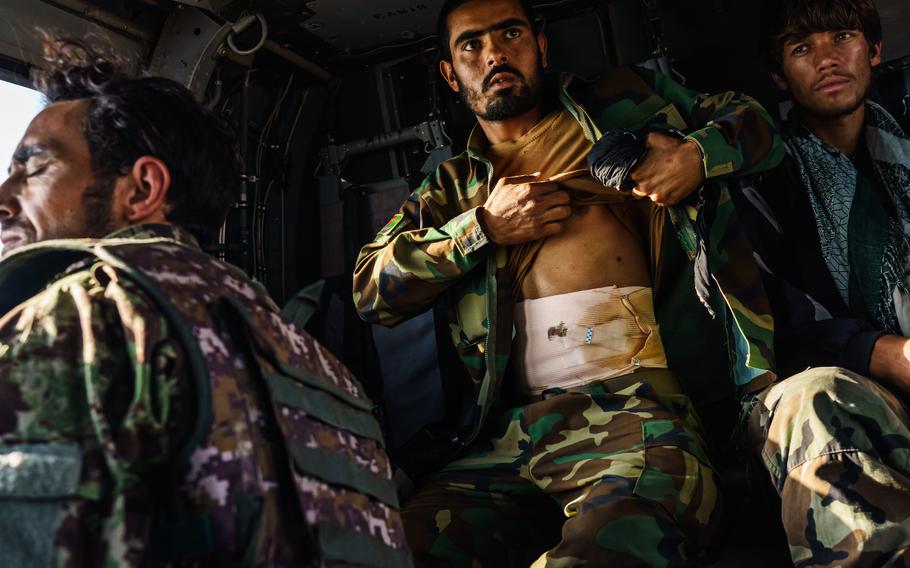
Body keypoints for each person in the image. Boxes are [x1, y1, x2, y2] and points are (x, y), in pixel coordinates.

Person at [353, 0, 785, 564]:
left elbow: (757, 125)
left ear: (541, 44)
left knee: (614, 542)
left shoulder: (628, 101)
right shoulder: (451, 187)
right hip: (509, 436)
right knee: (380, 550)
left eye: (510, 34)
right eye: (471, 45)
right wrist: (481, 229)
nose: (494, 55)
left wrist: (696, 156)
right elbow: (370, 289)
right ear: (449, 71)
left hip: (636, 414)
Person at [0, 37, 409, 567]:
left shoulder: (82, 317)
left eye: (32, 169)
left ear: (142, 188)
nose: (3, 197)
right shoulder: (324, 369)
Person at [730, 0, 910, 564]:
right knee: (817, 395)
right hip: (852, 390)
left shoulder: (903, 151)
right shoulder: (759, 182)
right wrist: (885, 352)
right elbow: (767, 330)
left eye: (843, 37)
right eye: (802, 48)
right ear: (781, 74)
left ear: (874, 50)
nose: (827, 59)